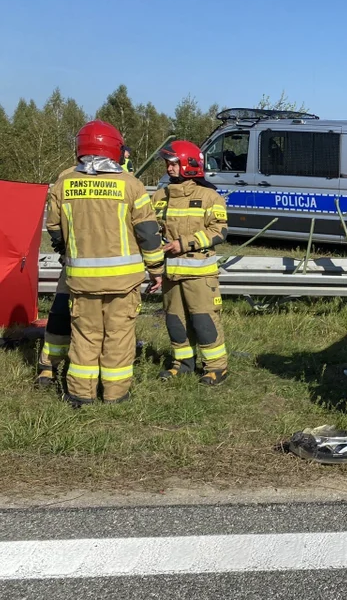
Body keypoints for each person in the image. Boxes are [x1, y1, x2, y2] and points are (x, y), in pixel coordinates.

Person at [45, 120, 165, 407]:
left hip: (82, 281)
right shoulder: (131, 185)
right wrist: (157, 270)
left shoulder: (64, 183)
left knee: (85, 337)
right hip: (123, 283)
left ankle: (80, 395)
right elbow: (148, 233)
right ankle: (115, 394)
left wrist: (68, 252)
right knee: (119, 337)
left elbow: (54, 228)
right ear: (115, 149)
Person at [149, 140, 229, 386]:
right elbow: (153, 232)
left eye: (173, 163)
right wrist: (156, 270)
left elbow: (219, 231)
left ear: (189, 165)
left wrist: (184, 244)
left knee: (203, 320)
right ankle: (182, 363)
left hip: (200, 274)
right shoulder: (160, 196)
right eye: (167, 164)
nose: (168, 168)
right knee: (175, 320)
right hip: (171, 273)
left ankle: (216, 367)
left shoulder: (209, 196)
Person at [35, 165, 83, 388]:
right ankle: (49, 366)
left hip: (106, 269)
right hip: (74, 265)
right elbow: (55, 223)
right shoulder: (68, 176)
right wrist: (65, 250)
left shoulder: (122, 178)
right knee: (61, 313)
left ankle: (87, 368)